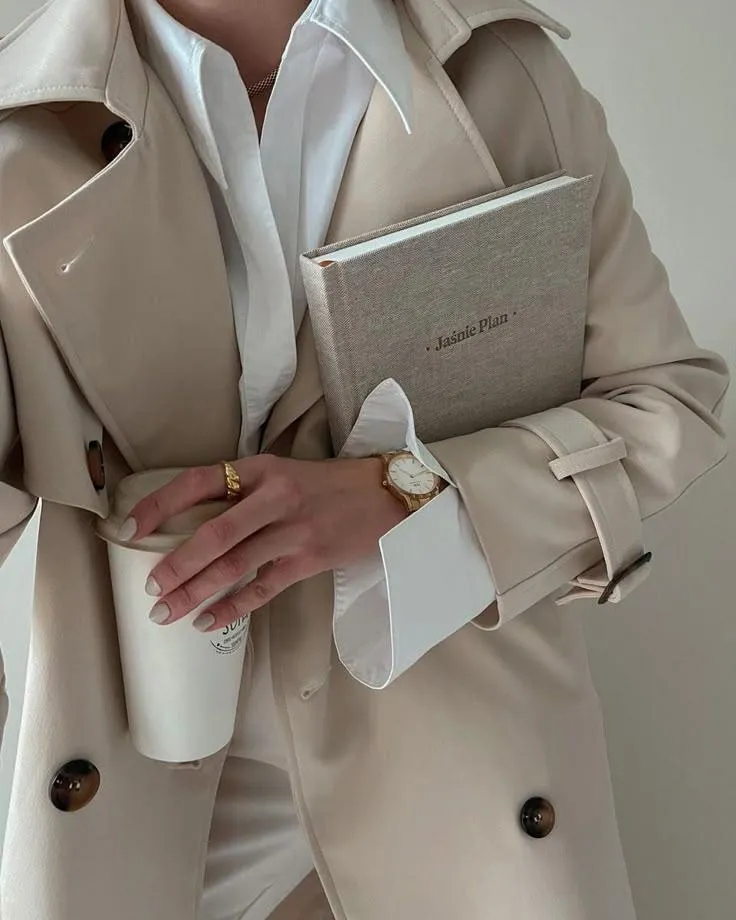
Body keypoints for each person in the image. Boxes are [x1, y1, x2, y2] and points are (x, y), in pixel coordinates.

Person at [0, 0, 729, 918]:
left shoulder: (499, 77)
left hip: (460, 802)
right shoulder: (24, 120)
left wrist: (411, 491)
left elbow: (664, 403)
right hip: (145, 810)